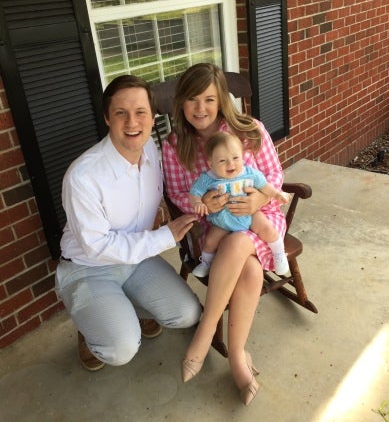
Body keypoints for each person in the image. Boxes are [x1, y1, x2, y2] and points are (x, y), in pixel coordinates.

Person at [55, 75, 202, 372]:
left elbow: (180, 185)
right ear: (107, 118)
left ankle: (124, 306)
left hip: (137, 260)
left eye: (140, 112)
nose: (132, 122)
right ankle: (90, 329)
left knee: (188, 314)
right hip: (88, 268)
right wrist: (165, 237)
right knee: (121, 348)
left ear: (151, 117)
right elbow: (97, 247)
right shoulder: (83, 176)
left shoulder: (151, 151)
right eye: (121, 113)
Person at [162, 63, 287, 406]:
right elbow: (176, 196)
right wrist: (204, 203)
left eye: (208, 99)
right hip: (214, 225)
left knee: (238, 243)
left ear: (221, 101)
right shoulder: (175, 145)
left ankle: (204, 334)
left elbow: (274, 178)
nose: (200, 108)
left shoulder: (248, 131)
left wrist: (257, 200)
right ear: (181, 104)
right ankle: (236, 356)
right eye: (191, 100)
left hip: (260, 217)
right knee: (245, 264)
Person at [189, 132, 290, 278]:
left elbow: (264, 185)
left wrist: (277, 194)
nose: (231, 164)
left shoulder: (249, 173)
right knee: (210, 241)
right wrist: (198, 202)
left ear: (242, 157)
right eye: (223, 161)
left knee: (267, 229)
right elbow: (195, 192)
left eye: (236, 158)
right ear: (211, 164)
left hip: (249, 214)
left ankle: (279, 254)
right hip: (222, 219)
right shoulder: (208, 178)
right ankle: (206, 263)